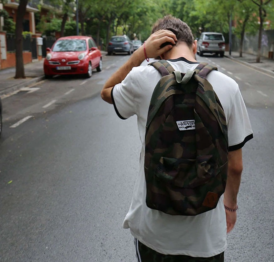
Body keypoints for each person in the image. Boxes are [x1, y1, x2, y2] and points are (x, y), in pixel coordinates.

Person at [101, 16, 253, 261]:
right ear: (194, 45)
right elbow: (236, 166)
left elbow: (106, 91)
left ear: (157, 49)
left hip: (154, 234)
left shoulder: (141, 79)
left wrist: (140, 54)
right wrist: (230, 207)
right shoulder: (228, 86)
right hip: (206, 238)